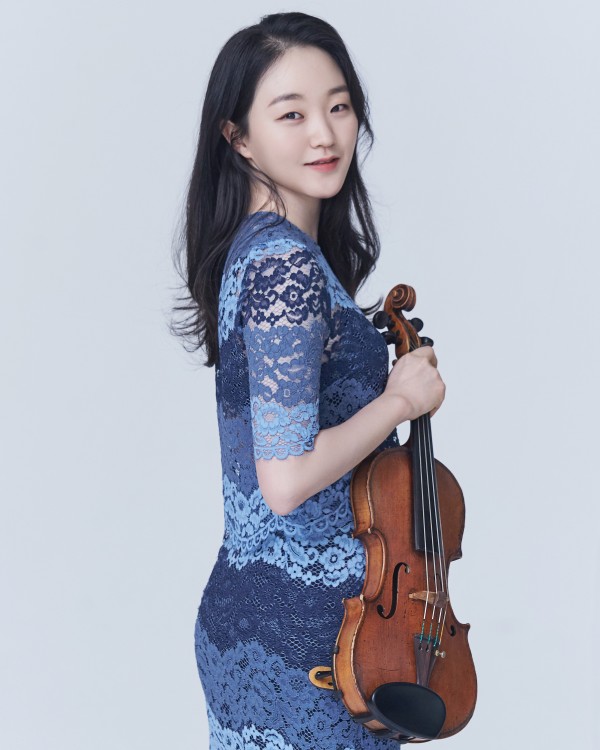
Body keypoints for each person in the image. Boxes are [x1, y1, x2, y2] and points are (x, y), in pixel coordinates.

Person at [171, 11, 445, 750]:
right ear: (238, 136)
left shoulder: (260, 252)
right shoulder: (284, 265)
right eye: (291, 114)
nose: (324, 134)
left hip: (289, 626)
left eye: (339, 106)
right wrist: (400, 398)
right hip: (308, 642)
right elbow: (286, 479)